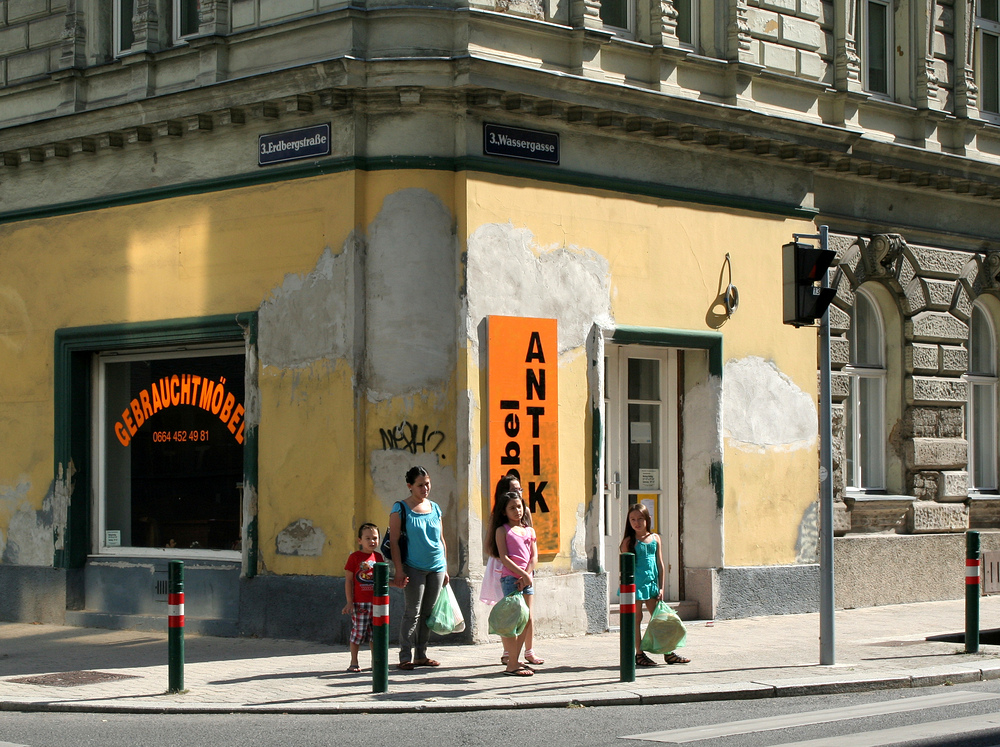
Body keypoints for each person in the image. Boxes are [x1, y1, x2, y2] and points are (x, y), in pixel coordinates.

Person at [390, 465, 448, 670]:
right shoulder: (400, 509)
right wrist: (399, 570)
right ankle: (405, 656)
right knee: (412, 612)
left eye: (428, 483)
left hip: (437, 567)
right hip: (413, 568)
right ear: (410, 486)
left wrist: (445, 568)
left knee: (428, 613)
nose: (425, 488)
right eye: (420, 485)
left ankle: (421, 654)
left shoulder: (435, 508)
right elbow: (395, 541)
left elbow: (441, 539)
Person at [620, 503, 690, 667]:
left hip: (651, 585)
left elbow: (660, 564)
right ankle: (638, 654)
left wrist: (661, 587)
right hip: (635, 587)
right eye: (632, 519)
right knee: (636, 618)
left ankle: (668, 652)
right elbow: (625, 566)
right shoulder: (628, 542)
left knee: (661, 619)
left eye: (640, 519)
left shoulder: (655, 538)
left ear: (648, 519)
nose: (636, 523)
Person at [492, 471, 544, 666]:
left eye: (519, 506)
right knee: (513, 617)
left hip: (527, 576)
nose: (518, 510)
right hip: (510, 577)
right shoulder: (501, 529)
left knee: (527, 617)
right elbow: (503, 556)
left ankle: (523, 654)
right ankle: (511, 657)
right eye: (512, 507)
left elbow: (533, 554)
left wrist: (528, 574)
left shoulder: (528, 527)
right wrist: (521, 574)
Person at [342, 522, 384, 673]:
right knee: (358, 633)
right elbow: (348, 580)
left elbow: (382, 579)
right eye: (368, 538)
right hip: (360, 604)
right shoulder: (355, 557)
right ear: (360, 540)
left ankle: (376, 661)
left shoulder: (378, 557)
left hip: (377, 603)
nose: (372, 541)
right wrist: (349, 602)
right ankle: (354, 661)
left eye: (375, 538)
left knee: (376, 634)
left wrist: (396, 583)